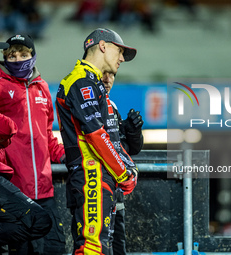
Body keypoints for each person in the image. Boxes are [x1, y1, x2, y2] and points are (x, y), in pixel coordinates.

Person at [56, 28, 138, 255]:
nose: (121, 58)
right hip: (91, 175)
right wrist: (123, 173)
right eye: (119, 51)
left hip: (96, 176)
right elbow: (96, 135)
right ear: (103, 46)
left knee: (98, 246)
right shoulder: (82, 81)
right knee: (93, 248)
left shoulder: (90, 82)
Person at [0, 34, 66, 254]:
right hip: (15, 189)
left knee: (54, 248)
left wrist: (65, 155)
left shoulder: (43, 88)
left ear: (33, 55)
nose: (17, 59)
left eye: (23, 54)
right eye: (11, 55)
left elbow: (47, 136)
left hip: (45, 190)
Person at [102, 71, 144, 255]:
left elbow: (127, 149)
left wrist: (133, 132)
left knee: (118, 249)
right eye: (103, 74)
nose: (107, 79)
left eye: (112, 75)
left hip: (117, 197)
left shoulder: (112, 105)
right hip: (96, 191)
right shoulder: (87, 103)